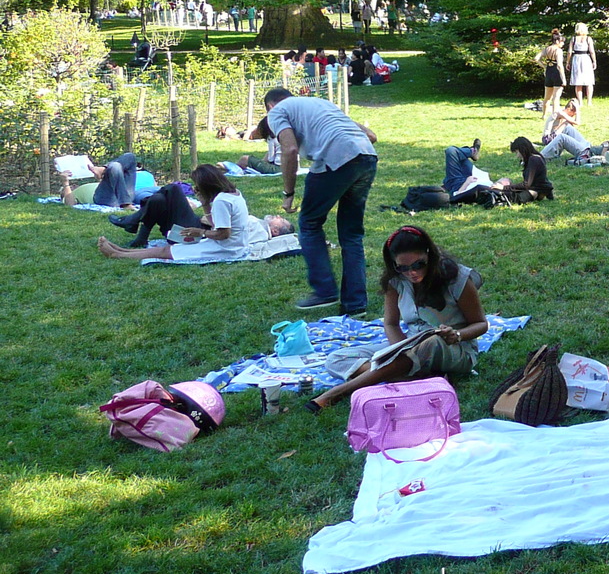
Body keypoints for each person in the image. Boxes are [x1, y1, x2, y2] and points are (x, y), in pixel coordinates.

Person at [305, 226, 487, 413]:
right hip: (409, 344)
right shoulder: (396, 281)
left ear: (429, 255)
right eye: (403, 268)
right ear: (394, 265)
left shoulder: (457, 278)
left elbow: (481, 324)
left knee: (432, 341)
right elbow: (390, 323)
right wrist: (400, 351)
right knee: (336, 359)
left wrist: (456, 335)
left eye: (418, 264)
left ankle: (337, 393)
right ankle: (414, 378)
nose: (412, 272)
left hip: (454, 349)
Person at [264, 85, 380, 314]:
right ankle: (356, 305)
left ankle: (324, 290)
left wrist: (288, 194)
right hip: (366, 156)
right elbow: (371, 136)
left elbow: (289, 149)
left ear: (270, 106)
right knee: (351, 235)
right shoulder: (319, 103)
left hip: (336, 159)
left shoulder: (276, 112)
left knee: (308, 223)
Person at [97, 164, 291, 262]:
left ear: (275, 230)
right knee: (160, 198)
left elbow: (223, 233)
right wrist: (206, 203)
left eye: (281, 220)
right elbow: (218, 224)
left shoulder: (225, 201)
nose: (278, 216)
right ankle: (124, 248)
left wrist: (201, 233)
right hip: (221, 241)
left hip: (223, 247)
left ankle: (121, 251)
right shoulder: (232, 195)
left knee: (166, 249)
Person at [500, 136, 555, 201]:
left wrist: (504, 187)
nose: (517, 156)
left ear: (522, 150)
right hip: (538, 188)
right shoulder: (536, 158)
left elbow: (526, 184)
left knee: (508, 195)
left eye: (517, 152)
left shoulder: (533, 159)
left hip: (535, 190)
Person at [539, 29, 566, 127]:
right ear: (558, 41)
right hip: (556, 73)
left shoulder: (547, 49)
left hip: (549, 72)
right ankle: (555, 116)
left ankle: (543, 115)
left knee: (547, 98)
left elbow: (536, 58)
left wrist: (544, 66)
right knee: (556, 97)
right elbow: (559, 65)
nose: (563, 44)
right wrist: (564, 78)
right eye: (562, 42)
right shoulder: (558, 51)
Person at [568, 23, 597, 108]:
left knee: (578, 81)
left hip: (576, 58)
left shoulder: (573, 39)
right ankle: (589, 102)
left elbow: (570, 52)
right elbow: (592, 51)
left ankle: (580, 102)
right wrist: (594, 61)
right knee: (589, 81)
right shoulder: (588, 39)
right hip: (586, 58)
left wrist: (568, 62)